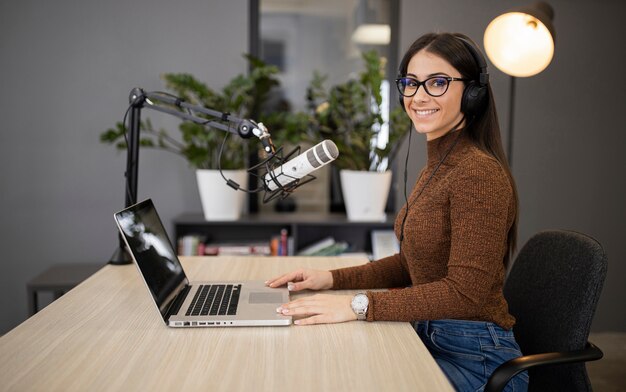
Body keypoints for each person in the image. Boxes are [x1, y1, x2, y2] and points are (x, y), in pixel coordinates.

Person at [266, 32, 528, 391]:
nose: (419, 96)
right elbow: (412, 265)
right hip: (433, 334)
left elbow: (465, 293)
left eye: (437, 82)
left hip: (475, 357)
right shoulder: (438, 167)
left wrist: (357, 305)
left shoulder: (477, 174)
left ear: (472, 93)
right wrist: (330, 278)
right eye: (410, 82)